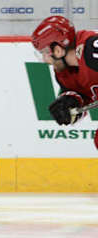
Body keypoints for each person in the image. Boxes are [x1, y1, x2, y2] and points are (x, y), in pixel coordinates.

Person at [31, 16, 98, 149]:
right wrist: (72, 105)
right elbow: (84, 100)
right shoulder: (63, 74)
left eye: (44, 53)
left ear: (58, 50)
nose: (44, 60)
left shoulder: (92, 48)